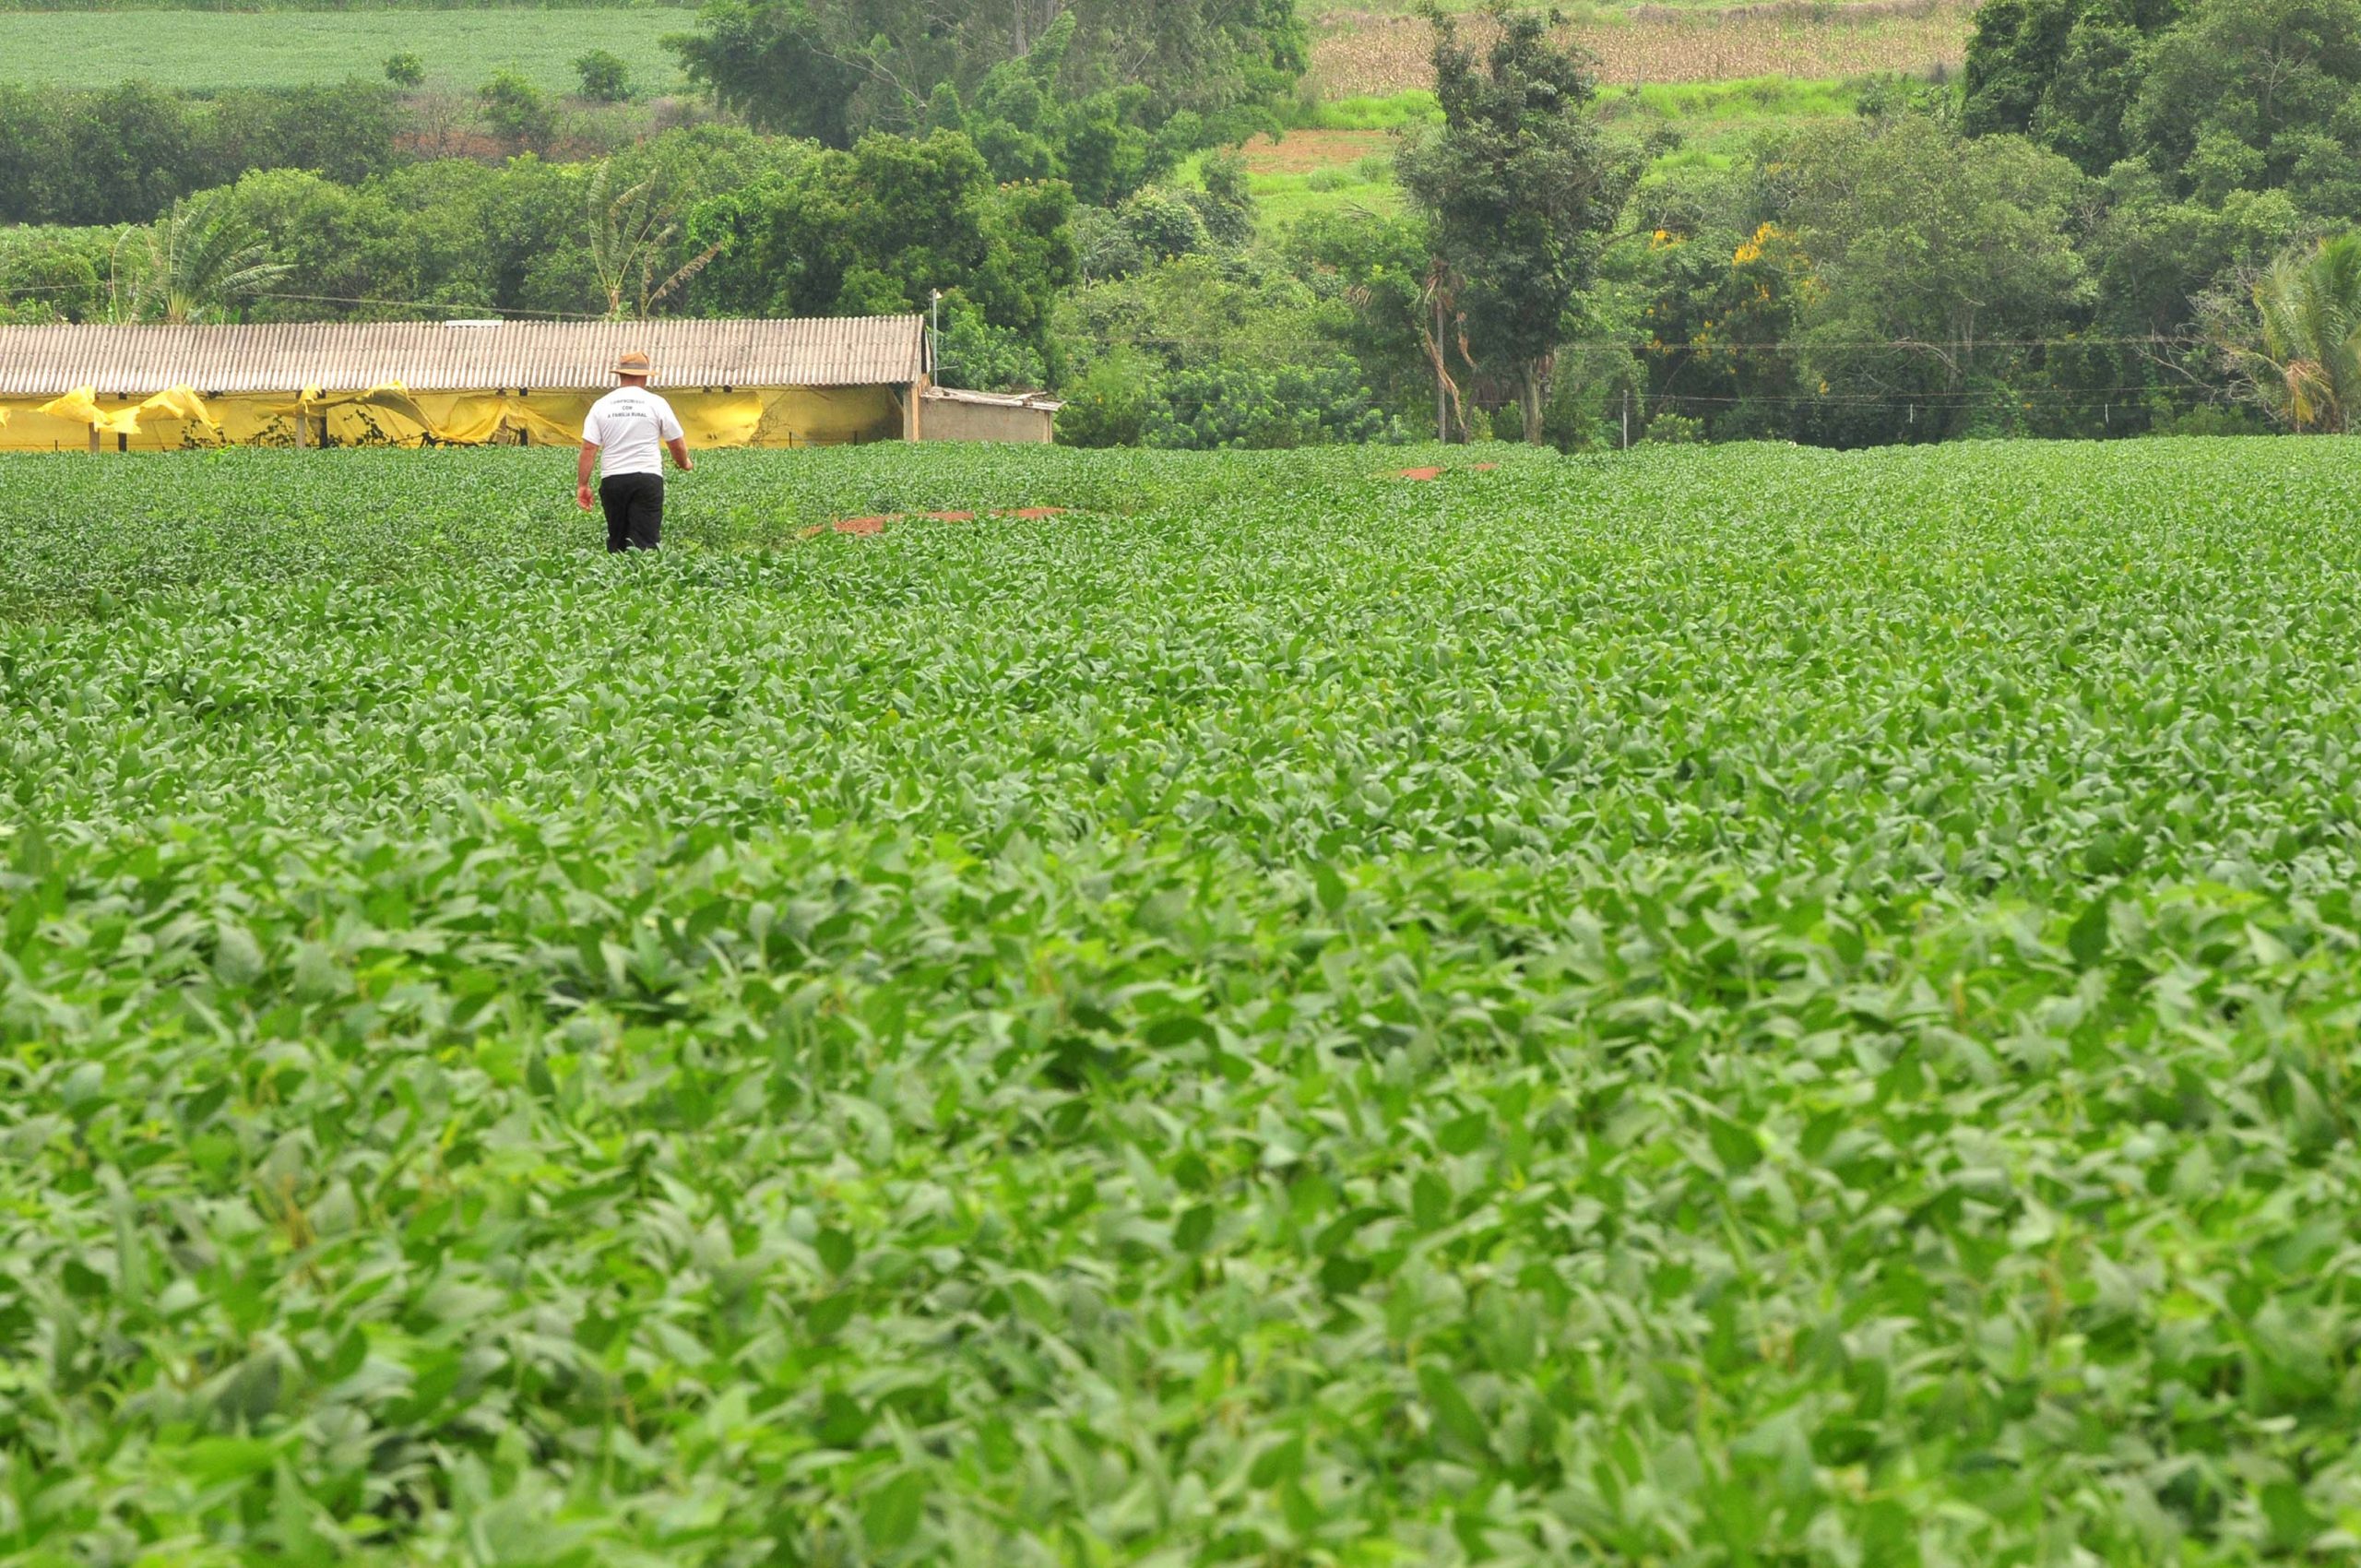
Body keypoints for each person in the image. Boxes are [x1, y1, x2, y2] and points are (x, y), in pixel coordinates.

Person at [575, 350, 691, 552]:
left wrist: (583, 485)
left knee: (618, 540)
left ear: (620, 375)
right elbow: (676, 442)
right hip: (647, 479)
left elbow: (589, 447)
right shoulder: (656, 403)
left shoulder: (601, 405)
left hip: (613, 480)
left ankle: (618, 580)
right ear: (644, 377)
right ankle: (644, 581)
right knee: (646, 542)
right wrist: (684, 463)